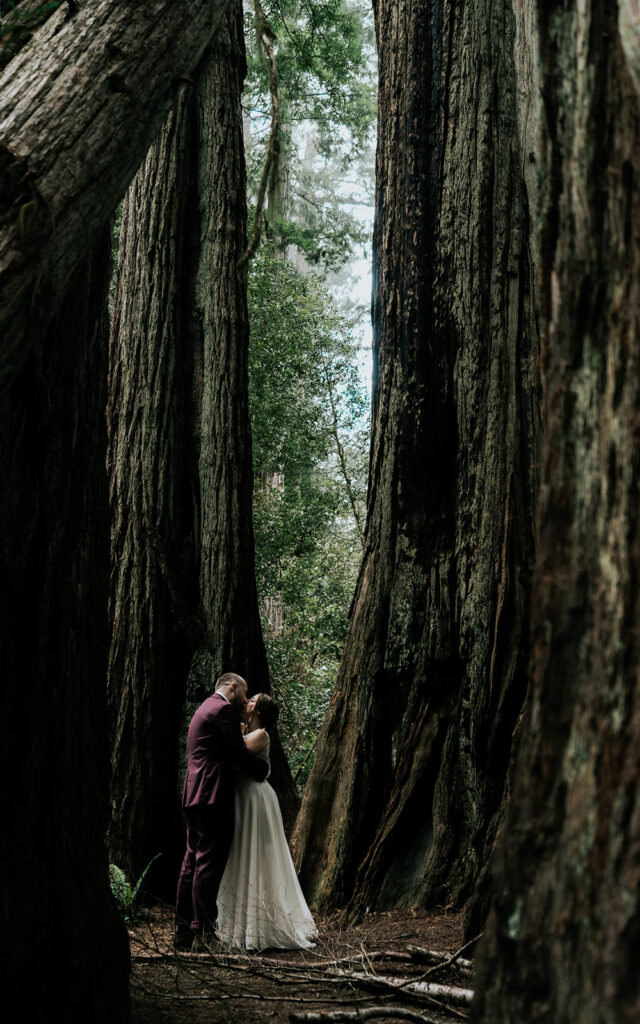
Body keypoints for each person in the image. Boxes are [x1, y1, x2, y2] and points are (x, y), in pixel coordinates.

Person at [175, 672, 269, 952]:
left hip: (194, 794)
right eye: (245, 691)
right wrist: (263, 770)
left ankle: (182, 933)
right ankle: (204, 933)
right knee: (208, 865)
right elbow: (237, 756)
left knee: (191, 863)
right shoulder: (223, 711)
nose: (245, 698)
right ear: (233, 687)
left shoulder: (204, 707)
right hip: (213, 795)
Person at [216, 693, 318, 950]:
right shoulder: (245, 731)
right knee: (240, 853)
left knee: (258, 856)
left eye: (251, 701)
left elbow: (234, 755)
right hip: (243, 797)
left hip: (255, 799)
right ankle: (237, 923)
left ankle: (260, 924)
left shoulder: (261, 734)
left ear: (258, 711)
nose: (246, 701)